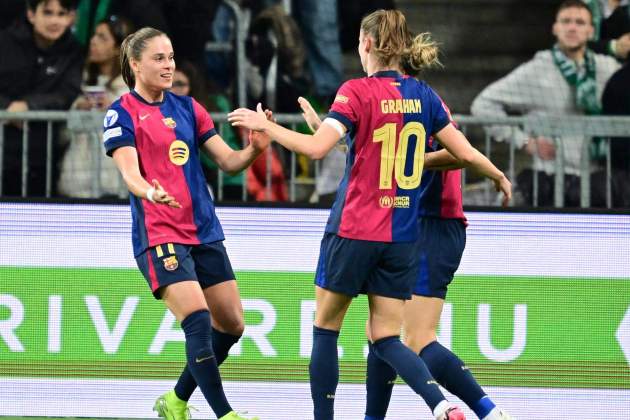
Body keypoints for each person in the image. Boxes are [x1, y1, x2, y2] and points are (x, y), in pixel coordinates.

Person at [229, 9, 511, 420]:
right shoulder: (425, 96)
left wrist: (266, 127)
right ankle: (441, 403)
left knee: (326, 329)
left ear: (366, 44)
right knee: (385, 337)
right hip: (401, 237)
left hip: (355, 227)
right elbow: (464, 153)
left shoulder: (356, 91)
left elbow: (315, 150)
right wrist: (498, 174)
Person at [297, 90, 514, 419]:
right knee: (380, 331)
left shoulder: (420, 102)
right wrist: (328, 133)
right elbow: (380, 154)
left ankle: (481, 410)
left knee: (414, 339)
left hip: (429, 223)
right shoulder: (409, 100)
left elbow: (458, 154)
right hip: (409, 224)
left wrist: (492, 171)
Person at [102, 27, 269, 420]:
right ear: (135, 64)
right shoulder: (121, 111)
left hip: (204, 230)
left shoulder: (189, 108)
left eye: (171, 57)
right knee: (197, 319)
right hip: (159, 231)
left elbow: (228, 161)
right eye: (159, 58)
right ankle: (224, 414)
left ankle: (176, 400)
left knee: (231, 325)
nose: (169, 65)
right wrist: (149, 192)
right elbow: (129, 172)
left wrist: (255, 150)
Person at [471, 0, 620, 207]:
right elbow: (482, 105)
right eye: (566, 21)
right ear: (555, 28)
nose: (572, 27)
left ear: (591, 30)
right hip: (549, 179)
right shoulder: (537, 70)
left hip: (598, 178)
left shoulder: (607, 68)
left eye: (579, 22)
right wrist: (524, 141)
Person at [0, 0, 83, 196]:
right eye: (47, 13)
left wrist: (28, 106)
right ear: (31, 14)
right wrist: (8, 108)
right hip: (4, 146)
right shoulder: (4, 43)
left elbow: (67, 94)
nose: (54, 21)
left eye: (61, 14)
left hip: (45, 154)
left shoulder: (74, 51)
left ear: (71, 18)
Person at [58, 15, 134, 198]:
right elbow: (62, 134)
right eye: (94, 35)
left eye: (102, 37)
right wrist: (78, 108)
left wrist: (115, 109)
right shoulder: (78, 81)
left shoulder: (135, 88)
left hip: (117, 182)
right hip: (78, 178)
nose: (93, 41)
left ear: (118, 48)